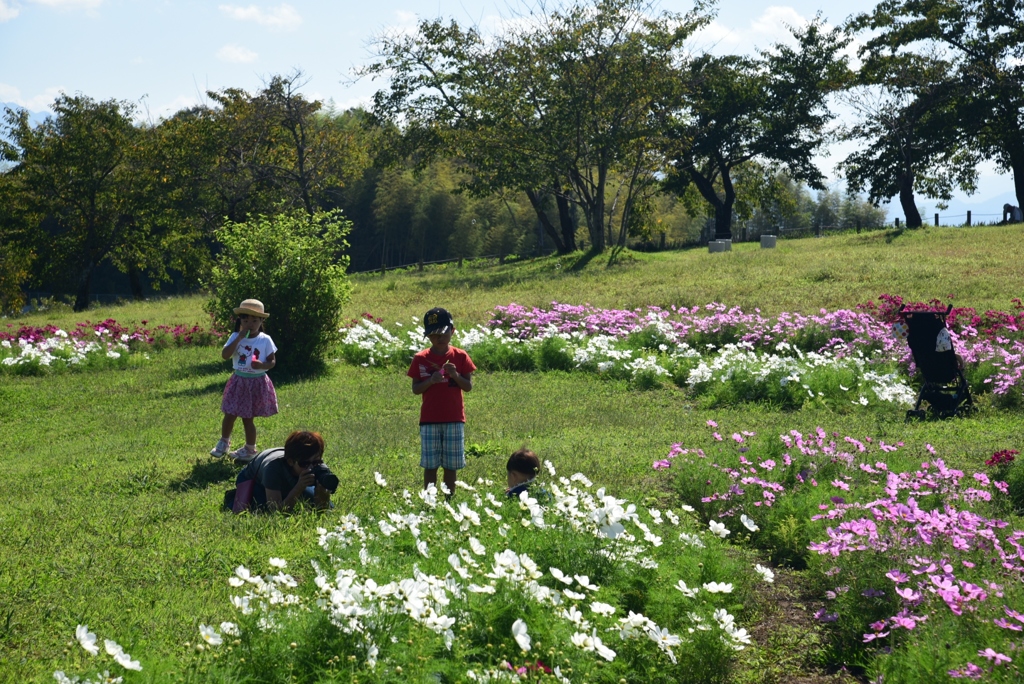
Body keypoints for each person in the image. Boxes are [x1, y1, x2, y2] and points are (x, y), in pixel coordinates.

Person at [408, 307, 476, 495]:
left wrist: (455, 375)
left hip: (454, 418)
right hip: (429, 419)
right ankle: (429, 498)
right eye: (433, 335)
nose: (438, 338)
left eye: (442, 333)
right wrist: (430, 380)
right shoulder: (420, 359)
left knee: (450, 465)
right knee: (430, 465)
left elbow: (468, 386)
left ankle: (449, 498)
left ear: (452, 331)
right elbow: (415, 389)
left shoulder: (460, 357)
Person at [210, 299, 278, 462]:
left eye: (255, 320)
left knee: (248, 418)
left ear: (261, 321)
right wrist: (239, 338)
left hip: (256, 382)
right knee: (230, 413)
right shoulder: (235, 336)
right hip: (239, 380)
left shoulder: (265, 339)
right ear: (240, 320)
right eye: (246, 320)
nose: (250, 324)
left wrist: (262, 365)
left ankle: (250, 449)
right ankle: (224, 442)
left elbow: (272, 361)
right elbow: (225, 355)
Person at [231, 430, 337, 513]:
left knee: (316, 503)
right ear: (291, 461)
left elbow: (323, 509)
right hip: (254, 481)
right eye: (304, 464)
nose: (310, 468)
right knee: (260, 507)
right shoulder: (273, 467)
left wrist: (322, 492)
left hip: (293, 480)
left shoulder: (318, 467)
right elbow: (276, 511)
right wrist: (298, 488)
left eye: (316, 462)